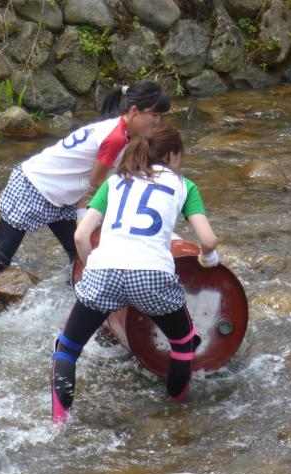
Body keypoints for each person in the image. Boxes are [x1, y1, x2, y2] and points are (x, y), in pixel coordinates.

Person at [0, 80, 171, 299]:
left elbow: (82, 176)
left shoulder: (117, 131)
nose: (158, 122)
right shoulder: (115, 137)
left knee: (78, 253)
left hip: (58, 196)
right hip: (32, 187)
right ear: (136, 111)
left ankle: (86, 299)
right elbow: (96, 182)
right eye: (155, 115)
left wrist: (84, 212)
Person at [51, 124, 220, 424]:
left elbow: (81, 236)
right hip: (152, 276)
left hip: (104, 271)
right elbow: (207, 240)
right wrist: (209, 257)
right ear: (171, 156)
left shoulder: (115, 181)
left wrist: (94, 272)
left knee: (67, 348)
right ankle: (175, 412)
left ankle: (59, 422)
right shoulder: (184, 185)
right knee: (183, 343)